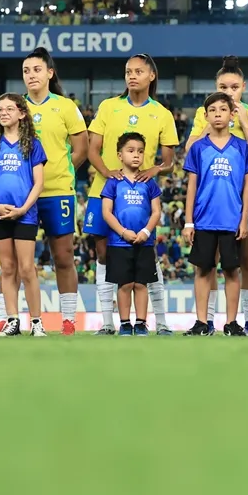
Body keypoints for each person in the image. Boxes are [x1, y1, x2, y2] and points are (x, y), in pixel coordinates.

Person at [84, 54, 178, 335]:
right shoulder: (108, 107)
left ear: (151, 76)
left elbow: (169, 160)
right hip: (105, 192)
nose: (132, 76)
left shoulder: (161, 113)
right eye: (128, 71)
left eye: (138, 71)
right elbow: (92, 149)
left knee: (146, 256)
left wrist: (154, 170)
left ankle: (159, 321)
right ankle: (109, 322)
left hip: (140, 197)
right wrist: (108, 171)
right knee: (104, 254)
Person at [185, 56, 248, 336]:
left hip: (245, 202)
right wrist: (215, 120)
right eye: (223, 86)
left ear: (243, 87)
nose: (229, 91)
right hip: (208, 205)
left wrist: (243, 122)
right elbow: (190, 151)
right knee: (206, 265)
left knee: (246, 263)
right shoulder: (207, 113)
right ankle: (206, 321)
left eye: (234, 87)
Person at [15, 48, 88, 336]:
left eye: (36, 69)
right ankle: (9, 318)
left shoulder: (66, 107)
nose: (30, 75)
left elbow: (81, 148)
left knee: (63, 255)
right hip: (22, 195)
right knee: (17, 260)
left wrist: (61, 170)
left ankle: (68, 320)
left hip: (58, 191)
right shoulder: (15, 106)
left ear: (49, 73)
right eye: (26, 70)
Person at [183, 93, 248, 337]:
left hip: (231, 220)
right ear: (205, 116)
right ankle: (202, 322)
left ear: (231, 114)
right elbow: (191, 186)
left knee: (232, 271)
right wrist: (188, 221)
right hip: (204, 219)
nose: (217, 114)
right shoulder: (198, 148)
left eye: (222, 109)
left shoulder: (242, 147)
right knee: (203, 270)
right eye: (212, 110)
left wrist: (244, 219)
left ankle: (232, 322)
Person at [0, 94, 47, 338]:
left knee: (27, 269)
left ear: (22, 114)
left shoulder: (33, 145)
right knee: (7, 267)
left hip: (25, 214)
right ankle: (13, 321)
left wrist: (23, 208)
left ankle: (37, 323)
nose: (3, 113)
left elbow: (39, 184)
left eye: (9, 108)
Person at [100, 133, 164, 336]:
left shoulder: (149, 183)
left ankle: (142, 323)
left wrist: (146, 231)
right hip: (119, 243)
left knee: (141, 284)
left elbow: (156, 211)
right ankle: (125, 323)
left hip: (144, 242)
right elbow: (106, 212)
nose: (136, 155)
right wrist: (123, 232)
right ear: (120, 155)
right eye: (131, 151)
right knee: (125, 284)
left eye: (140, 151)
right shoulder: (112, 182)